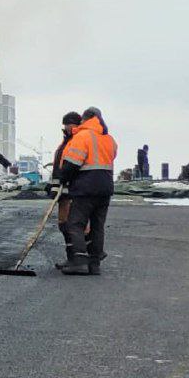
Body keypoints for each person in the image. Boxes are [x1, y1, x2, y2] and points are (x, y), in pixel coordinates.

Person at [57, 106, 117, 275]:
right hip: (105, 187)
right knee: (98, 226)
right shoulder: (109, 139)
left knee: (75, 224)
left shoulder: (82, 136)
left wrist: (63, 178)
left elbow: (72, 163)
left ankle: (79, 262)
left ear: (86, 119)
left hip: (86, 187)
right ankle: (94, 264)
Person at [49, 112, 83, 259]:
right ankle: (71, 257)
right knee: (63, 224)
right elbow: (58, 167)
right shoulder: (65, 143)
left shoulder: (77, 141)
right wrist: (52, 186)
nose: (66, 128)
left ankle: (77, 257)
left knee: (72, 225)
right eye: (65, 125)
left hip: (72, 192)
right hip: (63, 192)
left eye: (68, 125)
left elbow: (72, 167)